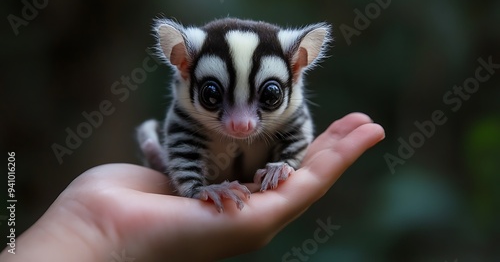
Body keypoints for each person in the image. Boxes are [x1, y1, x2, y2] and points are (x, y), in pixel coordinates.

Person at [0, 113, 384, 262]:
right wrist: (193, 187)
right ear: (183, 64)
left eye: (266, 98)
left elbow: (297, 139)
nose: (242, 123)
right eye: (216, 97)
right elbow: (184, 144)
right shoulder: (185, 114)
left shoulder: (292, 113)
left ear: (297, 67)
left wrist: (286, 163)